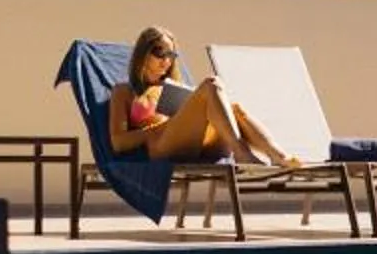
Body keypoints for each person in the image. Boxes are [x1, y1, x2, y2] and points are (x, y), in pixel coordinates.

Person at [106, 25, 298, 167]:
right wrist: (157, 129)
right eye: (159, 52)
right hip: (161, 147)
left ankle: (277, 155)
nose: (165, 60)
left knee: (234, 109)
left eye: (171, 55)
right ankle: (241, 153)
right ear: (143, 53)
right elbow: (118, 142)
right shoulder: (124, 91)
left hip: (197, 146)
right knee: (211, 84)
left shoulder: (173, 87)